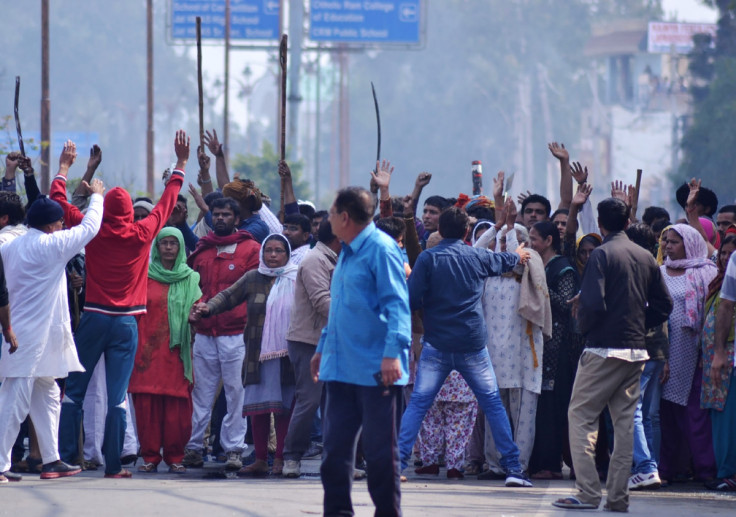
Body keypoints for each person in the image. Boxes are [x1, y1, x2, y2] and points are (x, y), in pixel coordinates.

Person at [55, 132, 188, 479]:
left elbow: (59, 202)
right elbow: (166, 204)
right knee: (117, 396)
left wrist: (63, 168)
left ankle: (69, 459)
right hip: (128, 322)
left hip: (95, 316)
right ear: (130, 212)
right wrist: (181, 164)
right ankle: (113, 465)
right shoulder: (143, 233)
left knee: (74, 392)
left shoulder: (92, 230)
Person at [400, 206, 533, 488]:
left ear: (439, 232)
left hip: (436, 344)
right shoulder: (476, 256)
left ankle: (396, 464)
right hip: (472, 345)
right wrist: (519, 254)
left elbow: (411, 301)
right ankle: (513, 469)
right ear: (464, 232)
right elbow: (505, 261)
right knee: (493, 404)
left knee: (419, 404)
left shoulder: (428, 258)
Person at [553, 197, 672, 512]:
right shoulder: (645, 255)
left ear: (601, 224)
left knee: (580, 416)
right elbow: (664, 306)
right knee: (624, 423)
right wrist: (636, 324)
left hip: (603, 347)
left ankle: (589, 492)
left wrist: (586, 324)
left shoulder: (602, 254)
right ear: (628, 220)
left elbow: (593, 304)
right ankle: (618, 497)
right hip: (636, 349)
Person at [311, 187, 411, 517]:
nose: (327, 219)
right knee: (335, 455)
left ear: (344, 218)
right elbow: (340, 308)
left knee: (381, 456)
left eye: (330, 213)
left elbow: (398, 305)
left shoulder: (381, 250)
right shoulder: (347, 250)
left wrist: (392, 353)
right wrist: (322, 347)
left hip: (375, 369)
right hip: (340, 369)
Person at [0, 183, 104, 483]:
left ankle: (51, 459)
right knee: (14, 399)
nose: (62, 226)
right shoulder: (53, 245)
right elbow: (91, 226)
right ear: (49, 226)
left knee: (46, 395)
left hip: (37, 337)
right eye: (59, 222)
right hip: (27, 338)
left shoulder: (11, 246)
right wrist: (97, 194)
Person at [191, 233, 298, 476]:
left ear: (287, 254)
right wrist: (207, 308)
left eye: (278, 251)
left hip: (288, 355)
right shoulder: (253, 278)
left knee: (285, 410)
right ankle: (260, 459)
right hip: (257, 354)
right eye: (268, 250)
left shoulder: (297, 279)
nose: (272, 255)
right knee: (258, 409)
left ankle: (281, 458)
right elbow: (228, 296)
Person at [183, 196, 260, 471]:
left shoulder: (251, 249)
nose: (220, 218)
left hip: (235, 333)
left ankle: (234, 450)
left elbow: (255, 291)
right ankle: (193, 448)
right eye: (216, 214)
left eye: (226, 214)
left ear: (237, 219)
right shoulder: (201, 251)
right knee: (201, 394)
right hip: (204, 333)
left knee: (236, 394)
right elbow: (192, 289)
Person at [474, 206, 550, 479]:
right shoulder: (487, 271)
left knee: (523, 414)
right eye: (502, 243)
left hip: (524, 355)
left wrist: (509, 229)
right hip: (492, 354)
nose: (505, 247)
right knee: (496, 412)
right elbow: (473, 250)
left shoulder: (530, 266)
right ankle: (495, 465)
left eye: (511, 241)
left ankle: (518, 465)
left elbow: (517, 259)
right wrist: (496, 227)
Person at [128, 228, 201, 474]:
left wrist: (196, 313)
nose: (169, 248)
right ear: (156, 247)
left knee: (177, 409)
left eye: (173, 243)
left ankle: (175, 456)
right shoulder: (144, 276)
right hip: (146, 352)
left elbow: (198, 307)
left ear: (181, 247)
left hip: (176, 353)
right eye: (164, 243)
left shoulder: (191, 278)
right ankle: (149, 456)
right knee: (146, 405)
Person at [658, 224, 719, 484]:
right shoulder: (657, 271)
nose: (668, 246)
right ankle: (665, 470)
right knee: (665, 416)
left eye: (674, 242)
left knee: (696, 416)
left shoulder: (706, 272)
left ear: (689, 244)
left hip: (696, 355)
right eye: (666, 241)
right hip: (664, 354)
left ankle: (707, 471)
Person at [282, 220, 341, 478]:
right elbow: (322, 301)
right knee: (309, 401)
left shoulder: (335, 258)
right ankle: (291, 457)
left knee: (336, 403)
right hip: (309, 340)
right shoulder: (315, 260)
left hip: (331, 338)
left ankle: (339, 460)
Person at [527, 220, 581, 480]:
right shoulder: (538, 265)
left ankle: (551, 464)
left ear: (548, 241)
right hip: (538, 346)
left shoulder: (563, 269)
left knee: (552, 407)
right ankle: (537, 462)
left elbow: (567, 305)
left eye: (534, 239)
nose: (530, 244)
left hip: (558, 348)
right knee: (539, 407)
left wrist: (539, 286)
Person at [624, 223, 669, 490]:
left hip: (641, 349)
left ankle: (646, 466)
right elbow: (664, 308)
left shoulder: (638, 268)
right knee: (648, 414)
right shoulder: (654, 266)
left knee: (633, 410)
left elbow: (662, 307)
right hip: (656, 349)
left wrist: (638, 325)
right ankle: (651, 466)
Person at [701, 233, 736, 490]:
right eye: (721, 253)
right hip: (720, 356)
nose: (724, 257)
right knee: (721, 412)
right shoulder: (716, 281)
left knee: (727, 415)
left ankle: (729, 472)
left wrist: (721, 352)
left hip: (725, 355)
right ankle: (727, 471)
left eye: (728, 253)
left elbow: (726, 307)